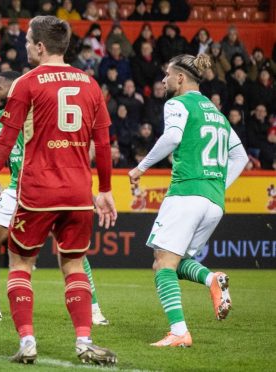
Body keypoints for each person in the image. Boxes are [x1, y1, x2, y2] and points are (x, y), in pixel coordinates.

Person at [0, 16, 117, 366]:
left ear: (39, 46)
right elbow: (104, 142)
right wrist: (106, 189)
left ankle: (28, 342)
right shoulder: (90, 83)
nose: (25, 46)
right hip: (79, 191)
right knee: (74, 265)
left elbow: (5, 142)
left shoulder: (27, 83)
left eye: (27, 41)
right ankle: (83, 341)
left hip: (37, 189)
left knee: (20, 262)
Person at [0, 70, 110, 326]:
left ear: (13, 89)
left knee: (72, 253)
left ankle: (94, 309)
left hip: (47, 186)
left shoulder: (38, 108)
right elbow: (5, 150)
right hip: (16, 187)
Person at [128, 54, 248, 347]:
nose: (164, 81)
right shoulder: (217, 113)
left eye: (167, 75)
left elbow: (171, 138)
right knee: (173, 260)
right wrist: (217, 184)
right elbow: (240, 157)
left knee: (163, 263)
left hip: (186, 193)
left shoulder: (177, 103)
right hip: (214, 201)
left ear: (180, 78)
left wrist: (141, 167)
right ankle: (211, 280)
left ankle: (179, 331)